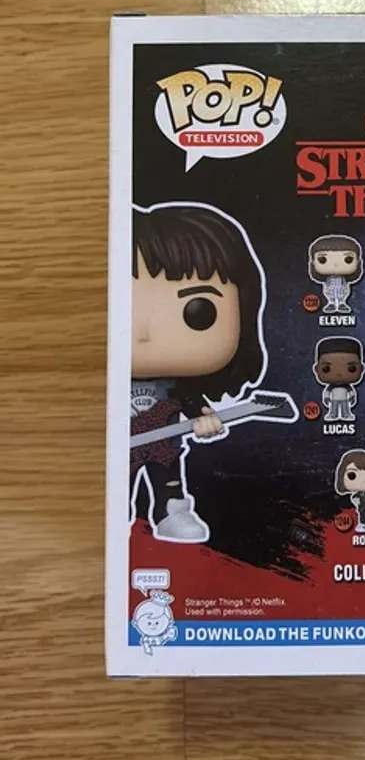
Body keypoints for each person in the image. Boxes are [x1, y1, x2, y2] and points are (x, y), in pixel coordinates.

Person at [130, 202, 266, 543]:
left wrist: (207, 420)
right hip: (117, 449)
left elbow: (191, 402)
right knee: (116, 487)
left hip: (164, 445)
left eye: (199, 311)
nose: (144, 333)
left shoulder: (175, 384)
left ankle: (171, 511)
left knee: (168, 479)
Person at [313, 338, 365, 422]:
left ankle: (346, 415)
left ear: (361, 369)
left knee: (345, 408)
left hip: (344, 399)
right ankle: (333, 415)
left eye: (351, 368)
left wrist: (352, 397)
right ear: (316, 369)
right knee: (333, 408)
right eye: (326, 368)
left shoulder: (347, 387)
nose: (339, 374)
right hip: (334, 399)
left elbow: (351, 392)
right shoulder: (331, 387)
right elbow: (327, 392)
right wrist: (326, 397)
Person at [308, 234, 363, 313]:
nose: (335, 264)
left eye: (348, 259)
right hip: (330, 289)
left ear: (358, 261)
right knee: (330, 294)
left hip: (342, 289)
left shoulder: (344, 279)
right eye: (322, 259)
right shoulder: (328, 279)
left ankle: (341, 303)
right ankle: (331, 303)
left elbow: (346, 286)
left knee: (342, 294)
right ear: (313, 262)